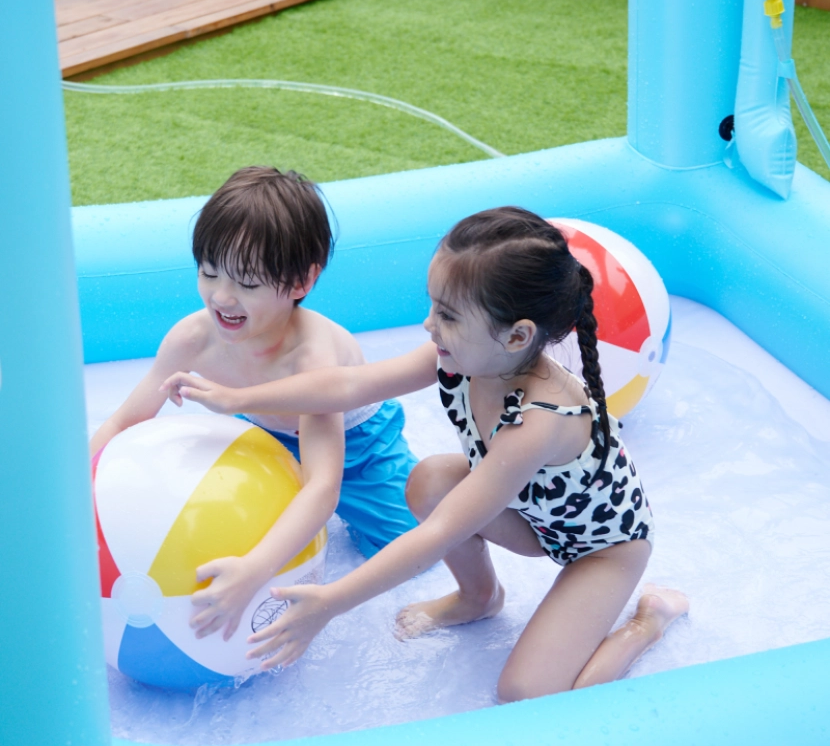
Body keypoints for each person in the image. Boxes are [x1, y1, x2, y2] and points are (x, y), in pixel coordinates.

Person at [162, 206, 688, 701]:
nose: (428, 325)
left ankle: (648, 623)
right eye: (433, 306)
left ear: (516, 335)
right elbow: (348, 386)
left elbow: (441, 533)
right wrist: (238, 399)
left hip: (600, 549)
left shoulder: (540, 420)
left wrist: (331, 603)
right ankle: (480, 597)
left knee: (526, 695)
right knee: (430, 480)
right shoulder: (460, 355)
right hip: (534, 518)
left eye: (449, 315)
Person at [90, 166, 418, 642]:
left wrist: (256, 570)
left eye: (247, 283)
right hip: (261, 436)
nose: (221, 296)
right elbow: (125, 419)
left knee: (406, 552)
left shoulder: (313, 358)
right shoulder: (193, 339)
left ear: (302, 281)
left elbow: (322, 486)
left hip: (359, 445)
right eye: (208, 272)